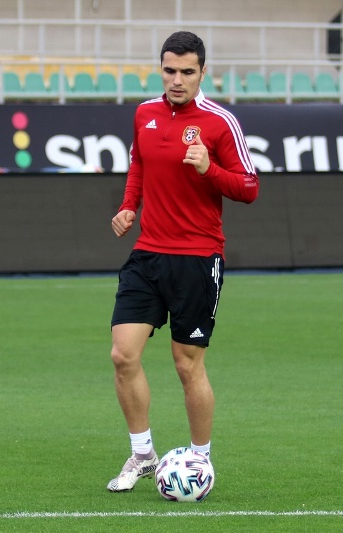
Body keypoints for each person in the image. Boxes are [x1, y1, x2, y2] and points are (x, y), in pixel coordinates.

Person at [106, 31, 259, 492]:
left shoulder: (220, 122)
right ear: (161, 69)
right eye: (169, 70)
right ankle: (143, 455)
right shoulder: (144, 114)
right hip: (148, 253)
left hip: (197, 257)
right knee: (122, 356)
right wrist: (129, 206)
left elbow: (249, 188)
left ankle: (199, 460)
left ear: (202, 73)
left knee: (186, 364)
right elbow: (139, 164)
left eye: (187, 72)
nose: (177, 80)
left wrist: (208, 169)